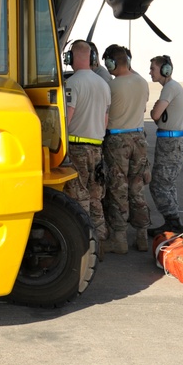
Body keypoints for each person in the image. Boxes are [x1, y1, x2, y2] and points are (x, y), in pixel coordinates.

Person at [100, 45, 151, 254]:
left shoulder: (111, 87)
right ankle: (142, 236)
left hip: (117, 141)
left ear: (112, 63)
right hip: (139, 139)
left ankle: (119, 238)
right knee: (136, 188)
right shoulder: (142, 82)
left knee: (117, 189)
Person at [63, 39, 111, 242]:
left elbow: (67, 117)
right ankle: (100, 236)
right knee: (95, 195)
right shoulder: (104, 84)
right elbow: (106, 120)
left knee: (79, 195)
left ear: (71, 57)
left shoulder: (73, 83)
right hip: (97, 147)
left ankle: (85, 240)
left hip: (77, 149)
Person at [147, 54, 183, 236]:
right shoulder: (172, 87)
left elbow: (155, 115)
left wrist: (154, 109)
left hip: (170, 143)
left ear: (165, 70)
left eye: (153, 69)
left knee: (159, 184)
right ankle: (172, 221)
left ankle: (173, 222)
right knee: (167, 184)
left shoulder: (170, 88)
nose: (150, 72)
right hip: (170, 141)